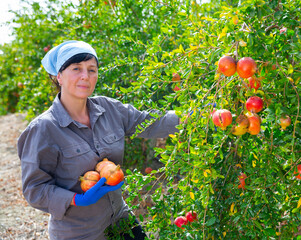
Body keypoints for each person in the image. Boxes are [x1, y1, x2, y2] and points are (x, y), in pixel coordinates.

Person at [17, 40, 180, 240]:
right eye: (76, 68)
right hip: (80, 233)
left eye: (91, 70)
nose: (85, 76)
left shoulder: (110, 109)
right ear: (59, 76)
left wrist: (195, 115)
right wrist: (76, 199)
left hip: (120, 218)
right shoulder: (43, 129)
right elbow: (34, 189)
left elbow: (151, 122)